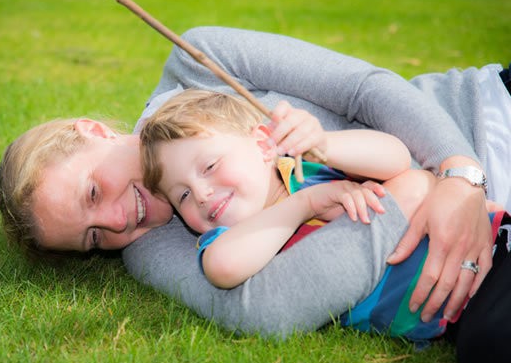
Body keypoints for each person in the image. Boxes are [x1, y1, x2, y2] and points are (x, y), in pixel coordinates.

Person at [0, 26, 511, 363]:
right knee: (493, 350)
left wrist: (458, 174)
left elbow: (363, 90)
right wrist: (408, 196)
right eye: (92, 238)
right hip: (475, 251)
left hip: (487, 122)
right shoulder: (149, 248)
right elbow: (262, 308)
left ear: (90, 131)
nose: (115, 220)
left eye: (92, 192)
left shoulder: (199, 63)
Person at [139, 88, 507, 345]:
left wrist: (327, 145)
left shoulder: (308, 168)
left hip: (488, 244)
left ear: (264, 144)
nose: (201, 194)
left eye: (209, 165)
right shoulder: (235, 238)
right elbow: (221, 267)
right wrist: (306, 204)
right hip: (452, 314)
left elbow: (395, 157)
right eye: (182, 194)